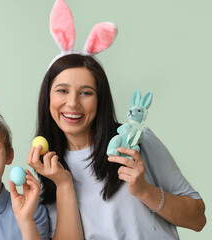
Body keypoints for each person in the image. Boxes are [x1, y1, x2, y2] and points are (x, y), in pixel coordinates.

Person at [34, 53, 206, 239]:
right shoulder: (49, 168)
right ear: (47, 97)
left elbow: (197, 219)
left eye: (86, 92)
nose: (73, 103)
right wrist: (63, 185)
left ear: (100, 100)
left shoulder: (136, 141)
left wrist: (145, 191)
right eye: (62, 90)